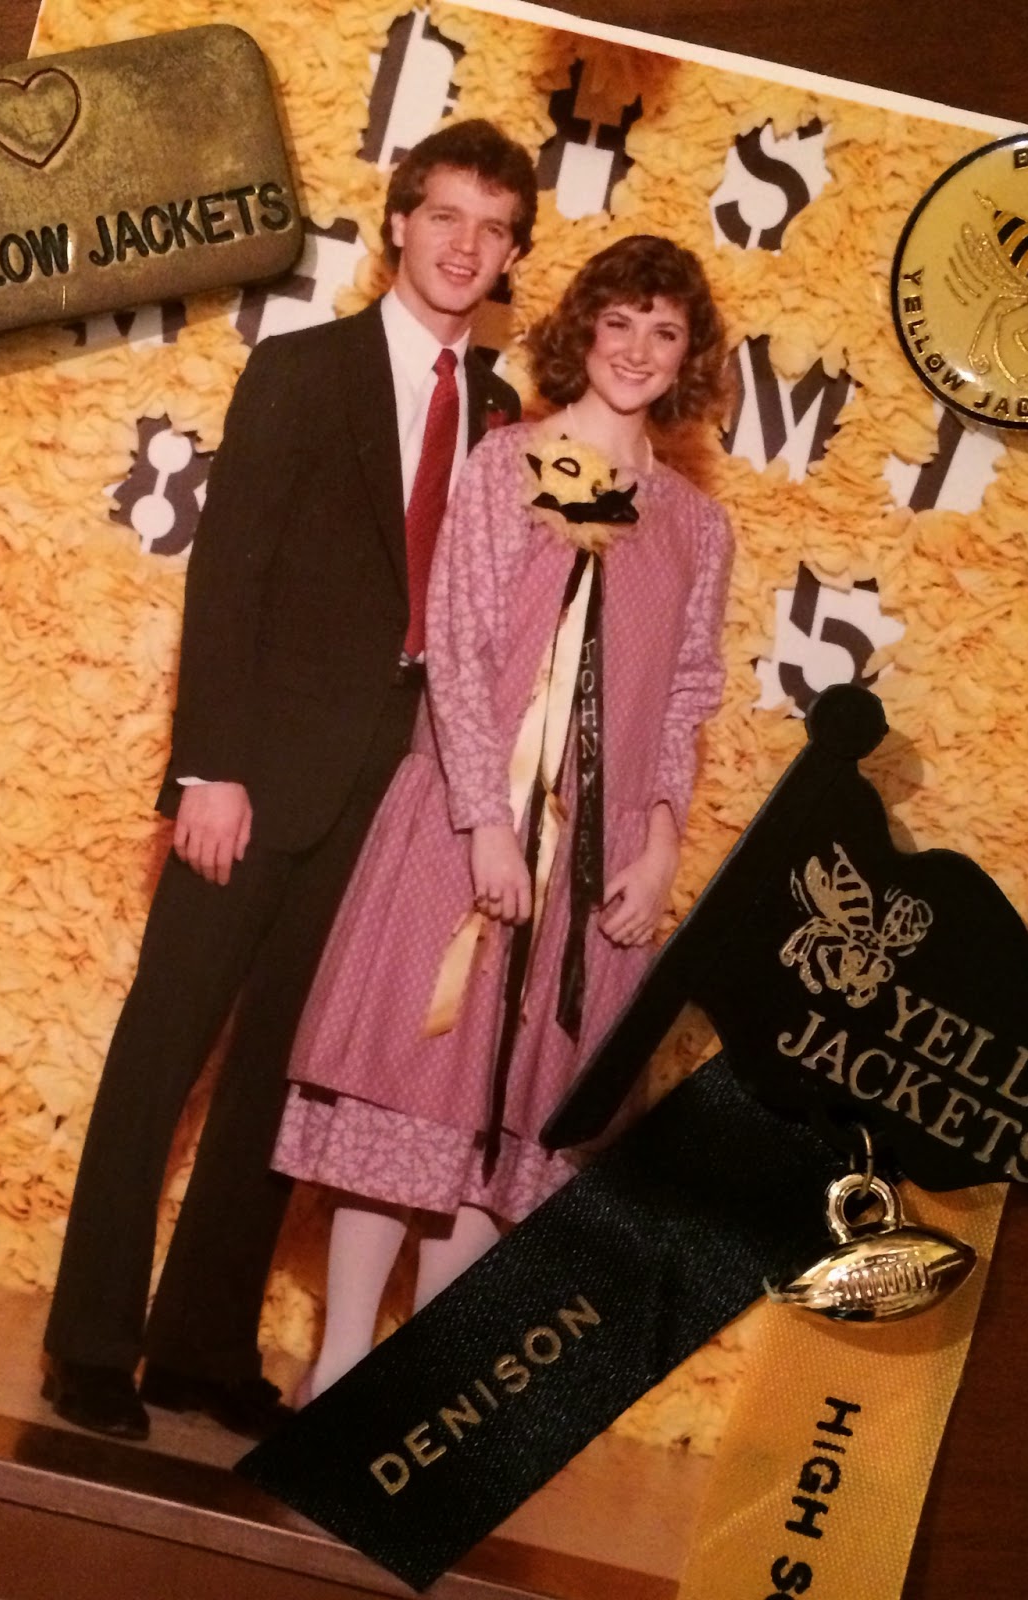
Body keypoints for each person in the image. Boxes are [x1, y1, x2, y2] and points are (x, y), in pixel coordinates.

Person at [41, 121, 539, 1441]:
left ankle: (198, 1348)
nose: (465, 246)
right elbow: (231, 574)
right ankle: (89, 1344)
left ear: (511, 256)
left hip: (393, 799)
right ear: (399, 222)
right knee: (164, 1049)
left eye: (493, 228)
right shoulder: (304, 369)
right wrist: (207, 767)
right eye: (445, 215)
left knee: (286, 1071)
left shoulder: (505, 421)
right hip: (256, 778)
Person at [271, 234, 735, 1397]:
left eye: (663, 331)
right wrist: (484, 819)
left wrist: (659, 842)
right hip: (464, 825)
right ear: (584, 329)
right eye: (618, 322)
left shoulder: (695, 525)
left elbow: (685, 693)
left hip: (594, 862)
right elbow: (461, 647)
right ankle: (338, 1369)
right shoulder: (507, 463)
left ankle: (409, 1389)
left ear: (688, 356)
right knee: (415, 1096)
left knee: (512, 1119)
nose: (636, 349)